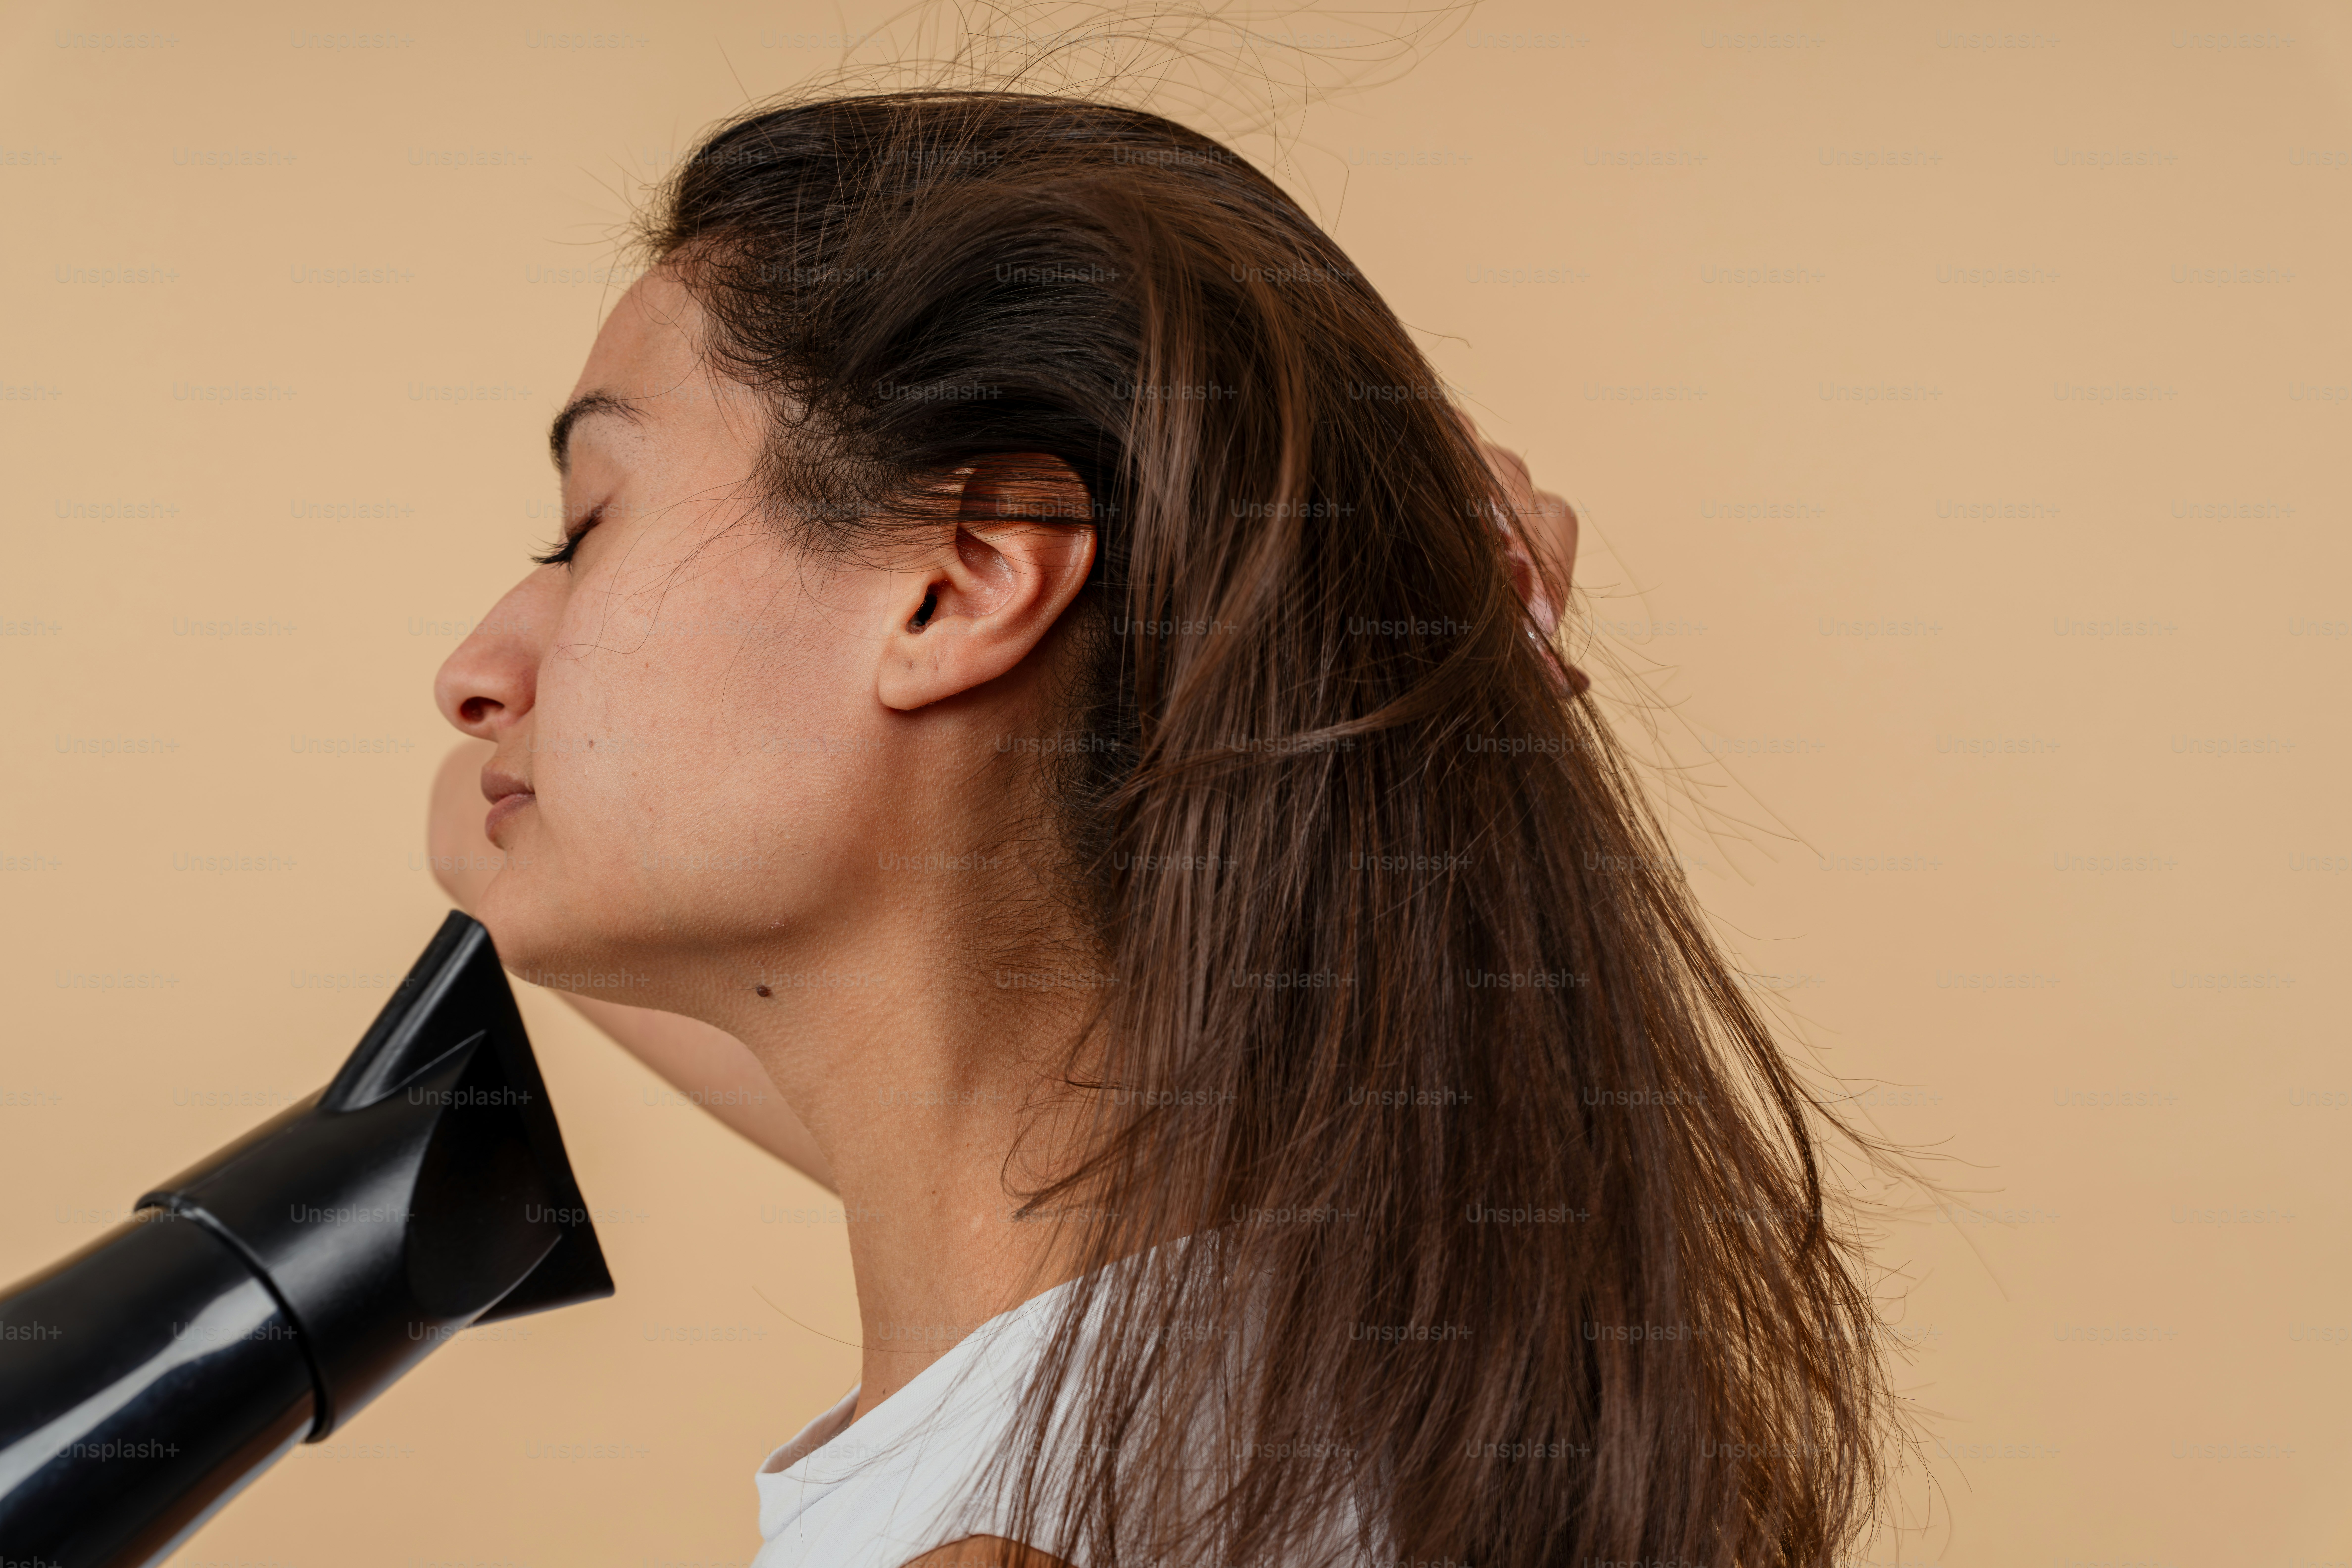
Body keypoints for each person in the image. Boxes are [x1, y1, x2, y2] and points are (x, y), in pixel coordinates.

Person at [426, 89, 1894, 1568]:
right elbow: (486, 846)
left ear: (967, 581)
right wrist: (1413, 674)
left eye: (588, 528)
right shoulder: (1329, 1354)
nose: (475, 673)